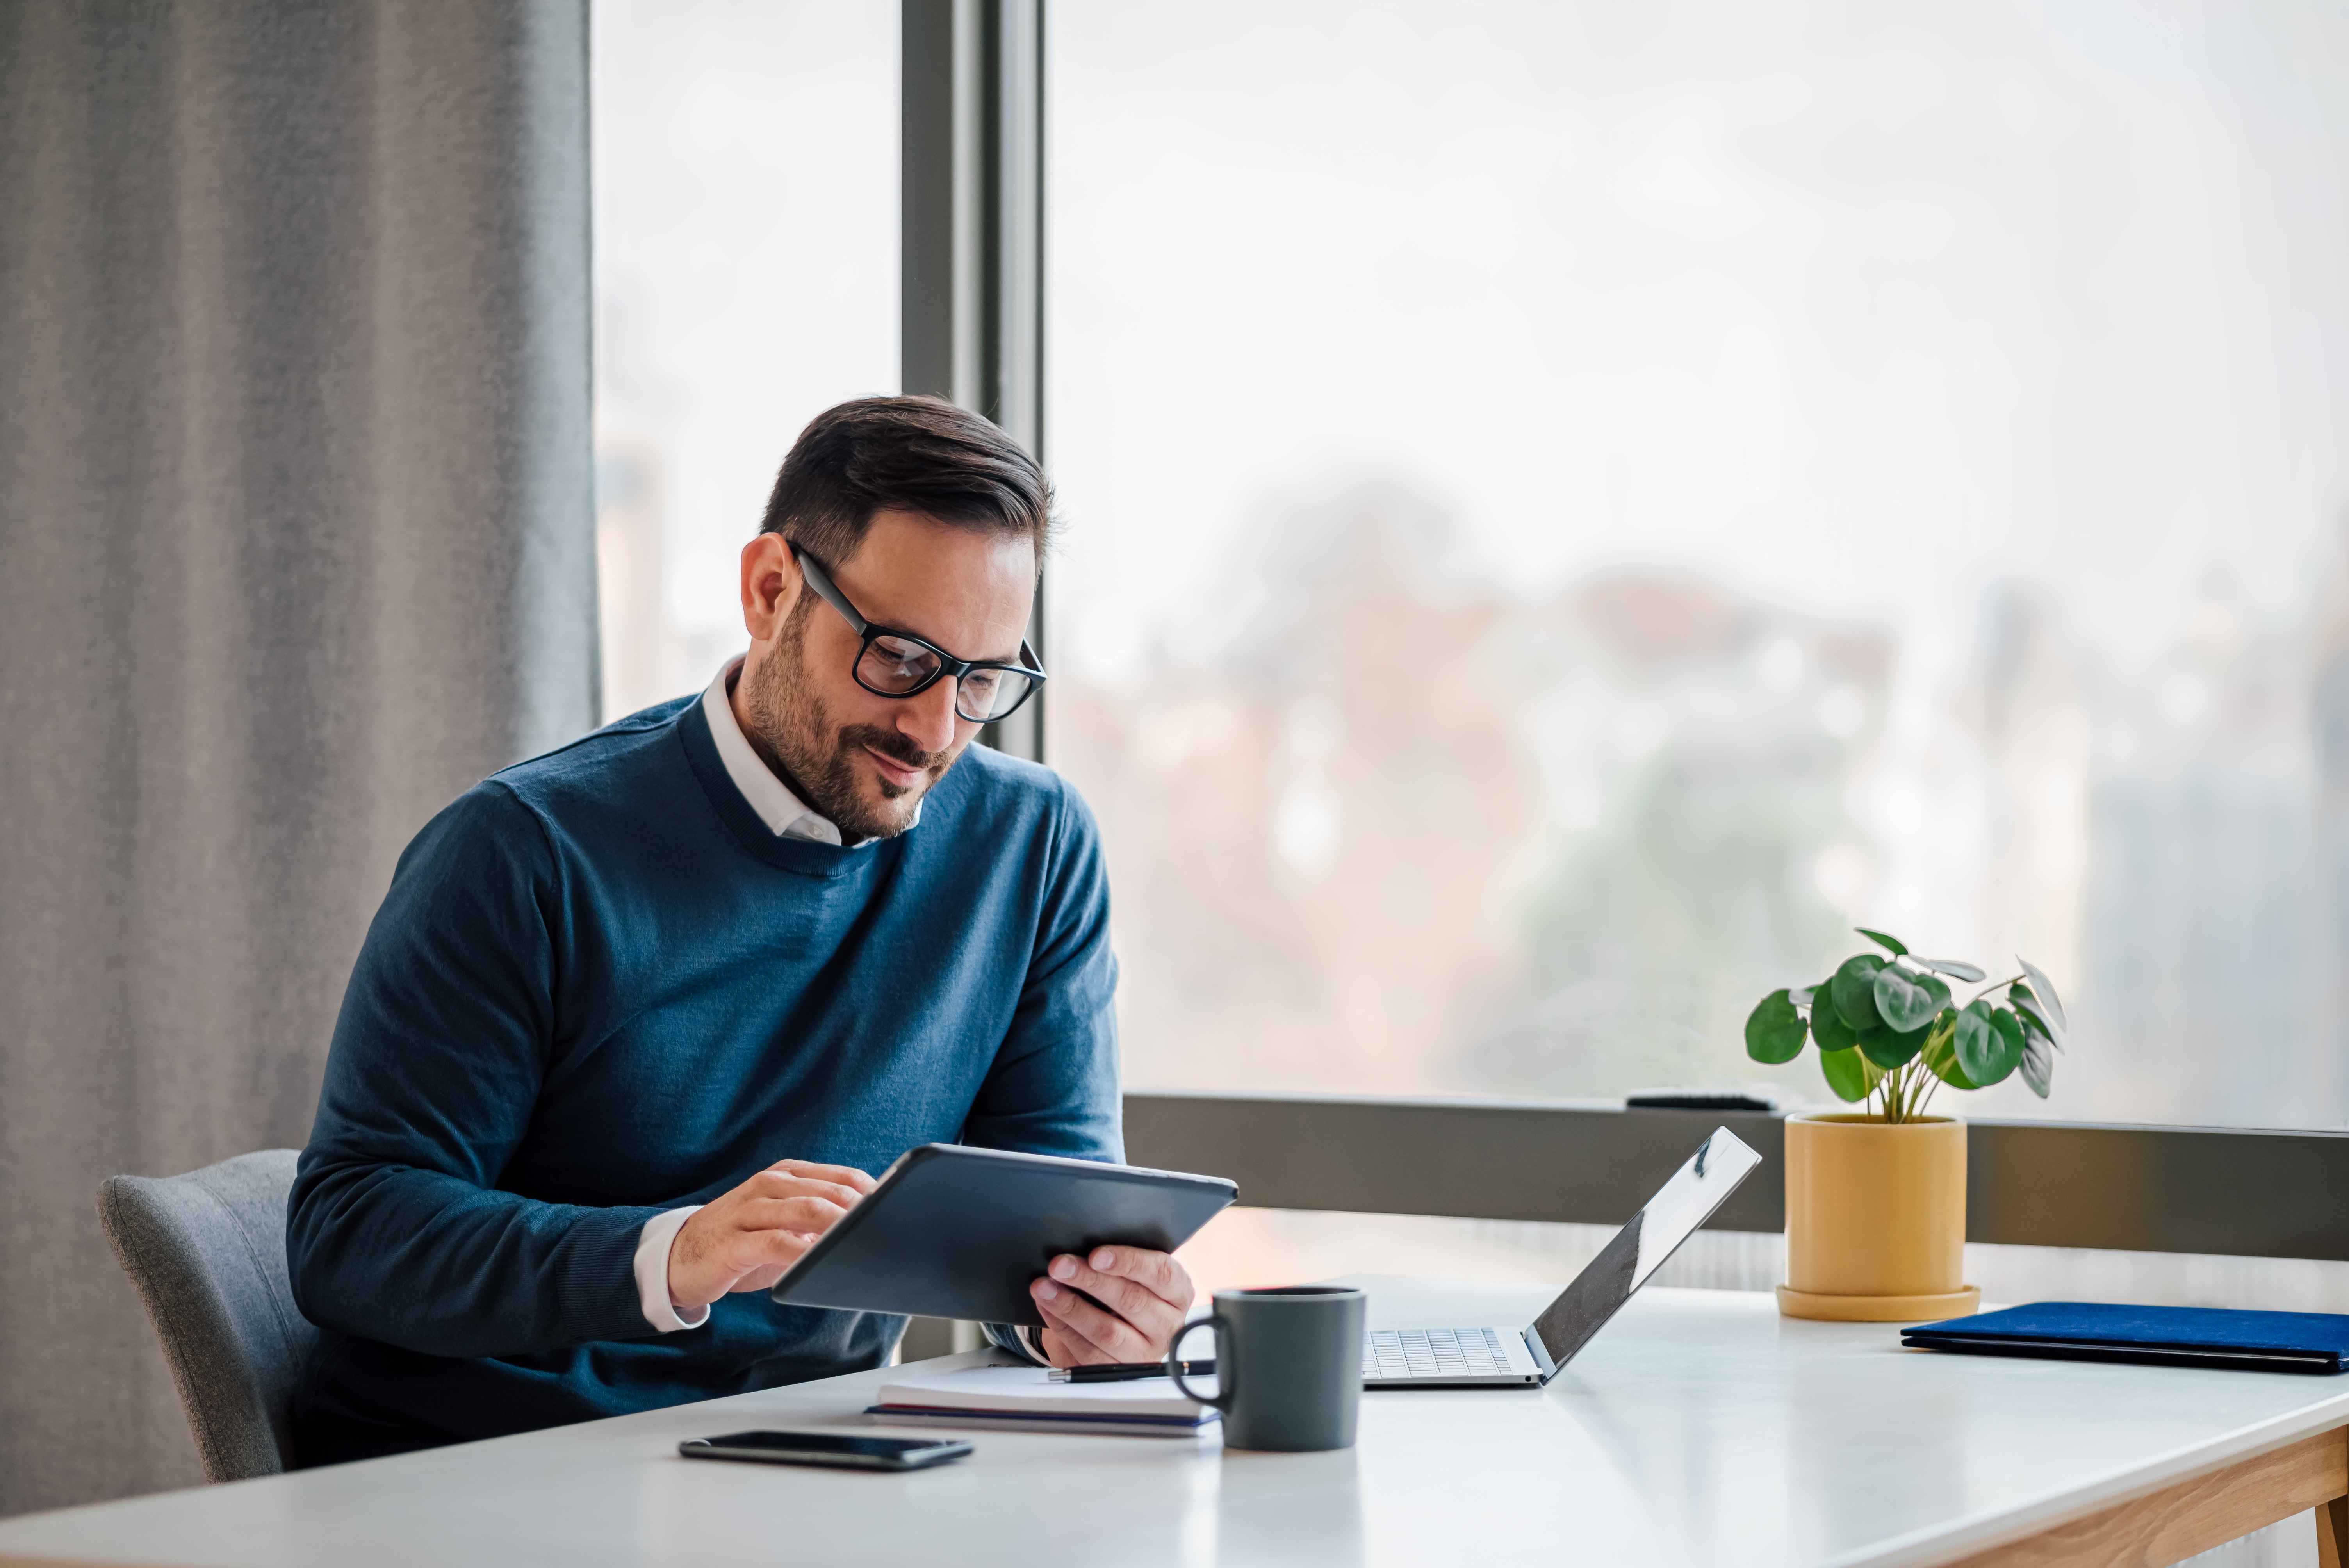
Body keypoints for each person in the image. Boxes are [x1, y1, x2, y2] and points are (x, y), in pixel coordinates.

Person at [286, 396, 1192, 1465]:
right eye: (900, 658)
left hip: (816, 1464)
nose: (934, 728)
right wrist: (675, 1251)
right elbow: (351, 1235)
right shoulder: (522, 852)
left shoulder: (1032, 851)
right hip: (494, 1469)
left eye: (982, 679)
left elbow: (1046, 1231)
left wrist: (1092, 1309)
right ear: (771, 592)